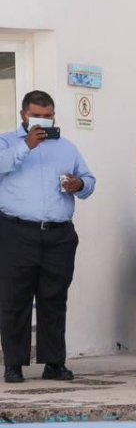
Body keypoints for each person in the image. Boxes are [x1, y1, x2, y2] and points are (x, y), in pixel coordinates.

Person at [0, 90, 96, 384]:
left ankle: (54, 363)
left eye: (48, 115)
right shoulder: (6, 141)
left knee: (54, 299)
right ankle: (14, 364)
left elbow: (89, 181)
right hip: (17, 231)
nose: (43, 120)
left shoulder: (66, 147)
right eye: (36, 115)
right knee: (14, 299)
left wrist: (79, 184)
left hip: (58, 235)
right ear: (23, 116)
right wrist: (25, 147)